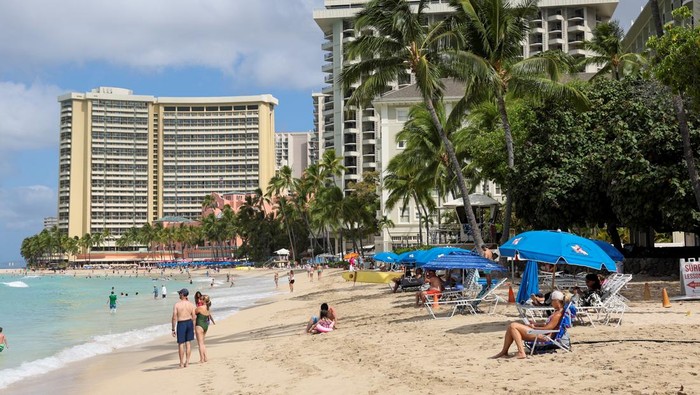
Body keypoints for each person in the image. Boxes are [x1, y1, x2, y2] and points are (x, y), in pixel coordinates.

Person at [492, 290, 566, 359]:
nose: (551, 303)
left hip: (545, 337)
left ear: (557, 301)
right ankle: (504, 352)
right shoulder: (557, 312)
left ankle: (521, 352)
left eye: (552, 301)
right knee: (511, 327)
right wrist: (535, 324)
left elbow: (548, 329)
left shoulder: (558, 315)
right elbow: (546, 324)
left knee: (513, 326)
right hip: (543, 334)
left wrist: (534, 328)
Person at [172, 288, 196, 368]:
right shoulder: (191, 304)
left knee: (181, 344)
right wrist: (193, 327)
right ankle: (187, 362)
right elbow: (194, 317)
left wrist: (173, 329)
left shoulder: (177, 305)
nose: (179, 295)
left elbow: (174, 317)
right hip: (189, 322)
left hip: (181, 323)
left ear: (182, 294)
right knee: (188, 343)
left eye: (179, 293)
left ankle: (181, 363)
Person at [195, 295, 215, 363]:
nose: (199, 300)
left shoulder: (200, 308)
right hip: (205, 325)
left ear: (204, 300)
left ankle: (202, 359)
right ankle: (205, 357)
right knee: (203, 343)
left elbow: (194, 312)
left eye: (201, 299)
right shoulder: (208, 308)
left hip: (199, 325)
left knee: (200, 344)